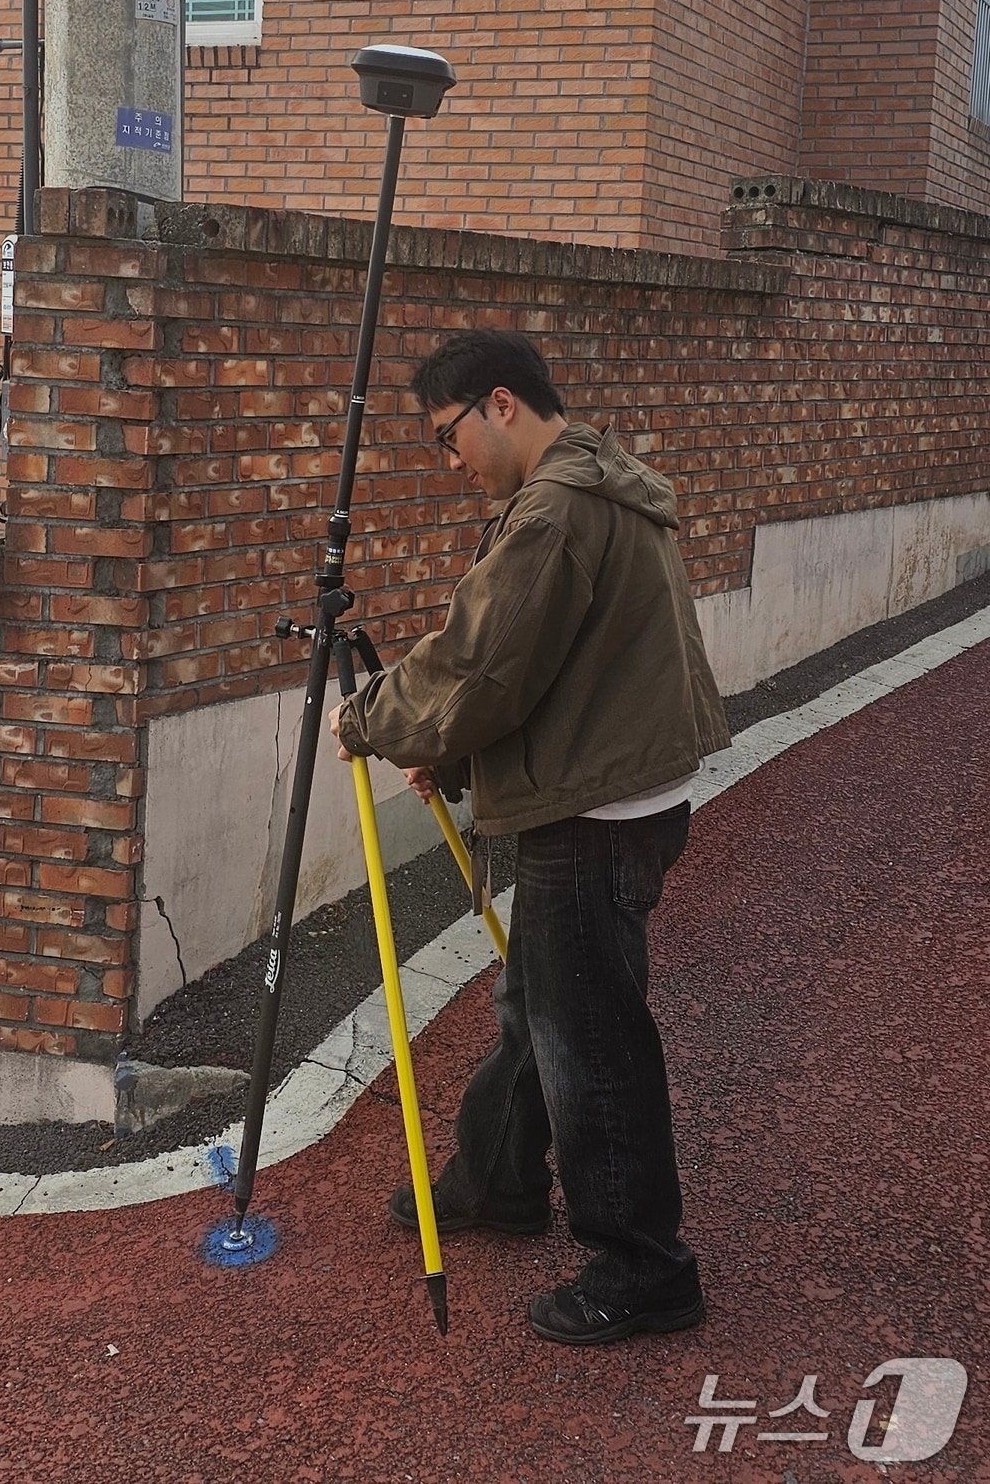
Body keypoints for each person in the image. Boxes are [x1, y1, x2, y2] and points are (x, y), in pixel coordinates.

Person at [328, 328, 730, 1346]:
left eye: (444, 436)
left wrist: (371, 717)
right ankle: (500, 1179)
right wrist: (455, 757)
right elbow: (552, 664)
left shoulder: (551, 512)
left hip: (591, 815)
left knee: (585, 1040)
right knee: (538, 1003)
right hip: (616, 787)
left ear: (497, 404)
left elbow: (479, 665)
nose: (447, 460)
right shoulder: (592, 481)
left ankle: (642, 1268)